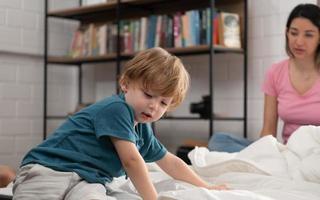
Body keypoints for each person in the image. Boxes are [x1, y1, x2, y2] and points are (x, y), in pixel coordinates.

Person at [13, 47, 226, 200]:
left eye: (163, 102)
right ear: (125, 84)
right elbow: (132, 161)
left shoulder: (142, 129)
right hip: (50, 169)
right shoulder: (116, 109)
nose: (154, 106)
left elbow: (170, 162)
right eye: (148, 94)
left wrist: (206, 186)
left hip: (89, 180)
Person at [260, 4, 320, 144]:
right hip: (288, 155)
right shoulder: (275, 72)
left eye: (309, 35)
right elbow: (268, 130)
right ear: (287, 33)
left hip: (317, 156)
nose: (298, 42)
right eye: (293, 33)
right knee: (220, 140)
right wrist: (263, 153)